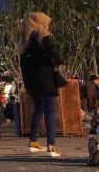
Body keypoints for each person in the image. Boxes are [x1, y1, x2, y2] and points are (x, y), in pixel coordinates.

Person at [19, 12, 61, 157]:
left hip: (32, 82)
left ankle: (33, 141)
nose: (47, 24)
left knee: (39, 108)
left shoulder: (25, 41)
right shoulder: (42, 34)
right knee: (50, 110)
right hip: (45, 78)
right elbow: (52, 51)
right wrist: (59, 61)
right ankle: (51, 144)